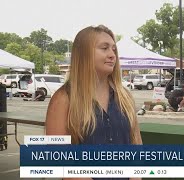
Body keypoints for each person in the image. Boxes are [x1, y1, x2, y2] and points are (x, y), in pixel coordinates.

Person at [45, 25, 142, 180]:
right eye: (104, 48)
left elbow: (136, 147)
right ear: (84, 54)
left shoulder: (125, 97)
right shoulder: (63, 99)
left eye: (114, 49)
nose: (112, 55)